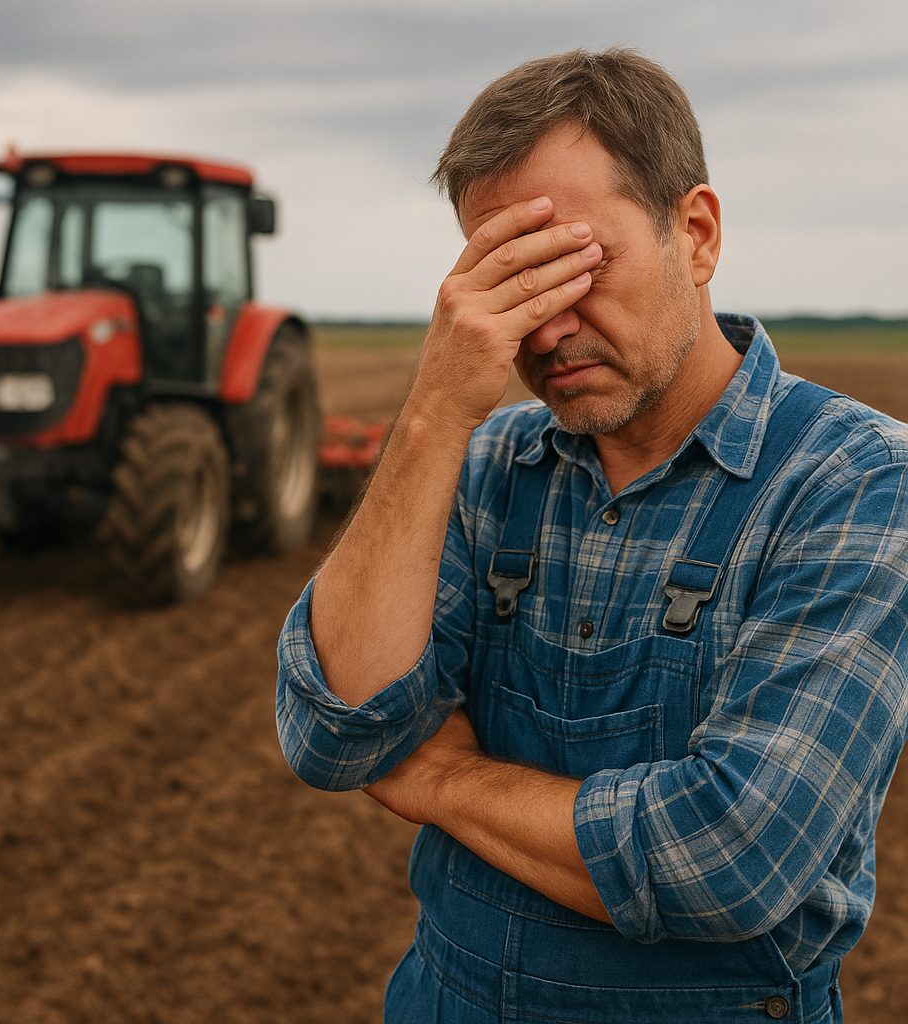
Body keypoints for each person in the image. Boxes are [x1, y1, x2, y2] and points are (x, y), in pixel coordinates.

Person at [275, 48, 908, 1023]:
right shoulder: (489, 466)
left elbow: (730, 855)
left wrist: (440, 773)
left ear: (694, 234)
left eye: (573, 262)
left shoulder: (853, 482)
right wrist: (436, 415)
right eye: (509, 281)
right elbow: (332, 729)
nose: (545, 327)